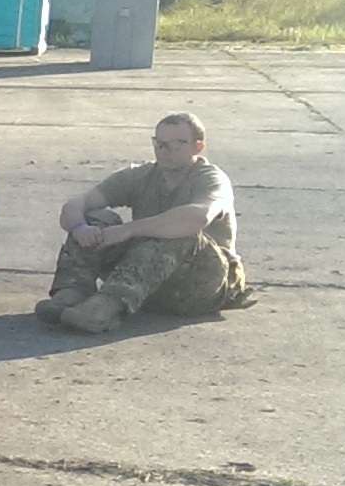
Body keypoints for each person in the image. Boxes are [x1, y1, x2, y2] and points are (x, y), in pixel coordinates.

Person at [38, 112, 253, 334]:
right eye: (159, 143)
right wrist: (80, 228)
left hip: (203, 285)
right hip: (150, 283)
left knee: (179, 231)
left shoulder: (211, 179)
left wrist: (128, 230)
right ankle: (72, 292)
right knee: (99, 219)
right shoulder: (141, 175)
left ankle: (104, 308)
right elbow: (78, 203)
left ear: (198, 147)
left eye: (176, 144)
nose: (165, 151)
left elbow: (199, 216)